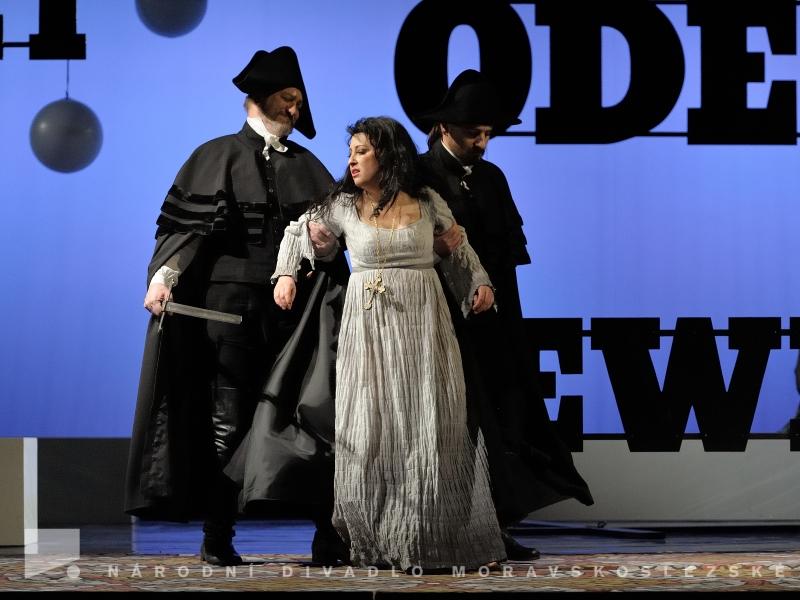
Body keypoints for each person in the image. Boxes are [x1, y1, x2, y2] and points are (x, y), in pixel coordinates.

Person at [124, 47, 347, 567]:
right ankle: (218, 534)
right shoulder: (215, 155)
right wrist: (162, 280)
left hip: (296, 314)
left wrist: (324, 247)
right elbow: (185, 233)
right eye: (287, 98)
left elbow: (333, 243)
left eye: (299, 100)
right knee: (229, 422)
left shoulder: (308, 166)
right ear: (259, 98)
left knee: (310, 413)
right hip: (228, 312)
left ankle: (328, 534)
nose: (295, 108)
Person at [272, 116, 506, 571]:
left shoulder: (427, 200)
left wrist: (479, 283)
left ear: (388, 155)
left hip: (423, 324)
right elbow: (300, 231)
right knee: (372, 427)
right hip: (369, 329)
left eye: (361, 151)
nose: (352, 160)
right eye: (350, 152)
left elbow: (458, 247)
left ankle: (425, 536)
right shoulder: (344, 204)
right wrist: (286, 273)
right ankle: (376, 538)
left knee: (427, 422)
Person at [416, 69, 595, 559]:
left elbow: (508, 256)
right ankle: (438, 528)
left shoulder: (492, 177)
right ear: (445, 127)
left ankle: (493, 527)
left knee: (505, 417)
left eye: (487, 133)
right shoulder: (419, 175)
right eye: (473, 132)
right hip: (442, 319)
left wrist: (508, 319)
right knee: (452, 422)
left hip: (497, 321)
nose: (482, 142)